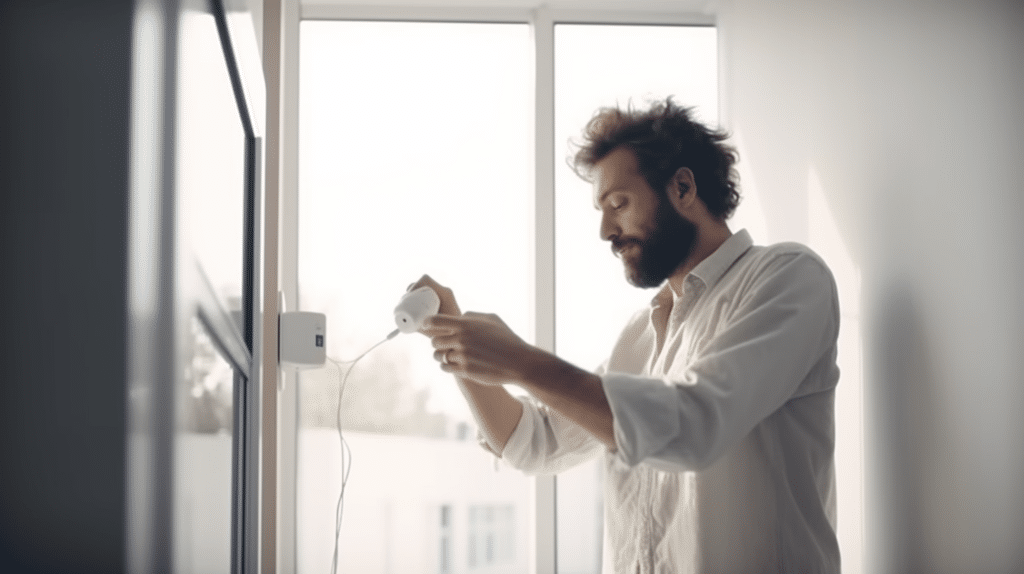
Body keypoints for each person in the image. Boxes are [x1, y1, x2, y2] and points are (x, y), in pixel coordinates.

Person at [410, 97, 840, 574]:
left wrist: (521, 362)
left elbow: (694, 428)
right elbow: (533, 441)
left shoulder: (788, 277)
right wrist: (451, 336)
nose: (604, 231)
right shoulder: (641, 335)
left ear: (682, 187)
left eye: (618, 204)